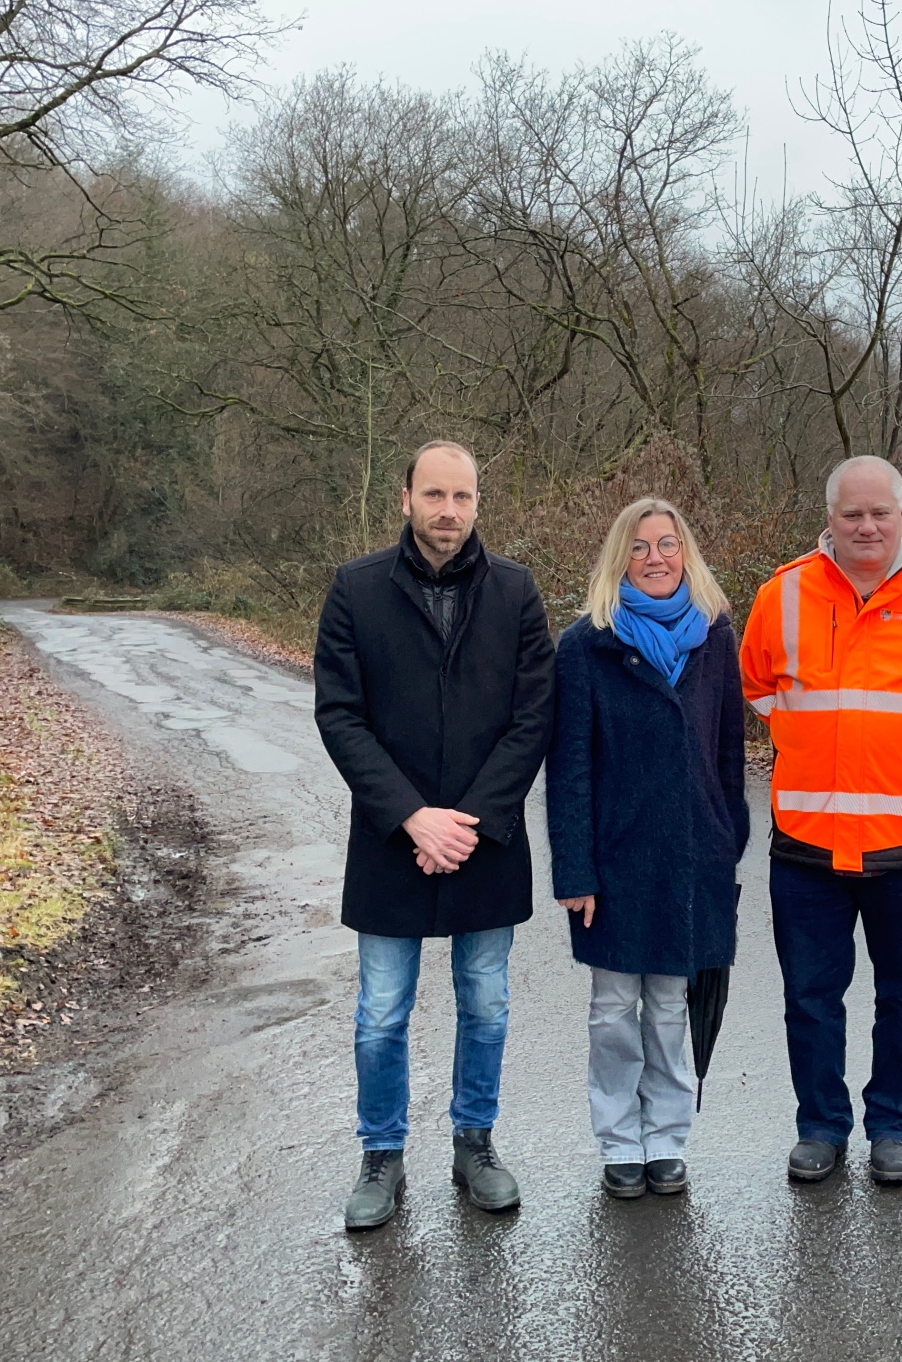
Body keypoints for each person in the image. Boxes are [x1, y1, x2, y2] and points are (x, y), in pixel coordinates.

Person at [739, 455, 902, 1186]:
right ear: (829, 517)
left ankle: (892, 1124)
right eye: (852, 513)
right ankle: (820, 1126)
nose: (866, 526)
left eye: (879, 513)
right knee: (811, 996)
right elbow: (757, 687)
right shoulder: (780, 595)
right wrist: (810, 742)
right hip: (807, 838)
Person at [314, 440, 556, 1231]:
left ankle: (474, 1143)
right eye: (434, 495)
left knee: (484, 1003)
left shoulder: (517, 592)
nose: (448, 511)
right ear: (406, 498)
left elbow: (532, 718)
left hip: (486, 840)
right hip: (393, 840)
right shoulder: (354, 590)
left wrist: (471, 822)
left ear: (479, 503)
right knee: (382, 1010)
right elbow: (339, 716)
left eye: (463, 497)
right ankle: (381, 1155)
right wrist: (412, 815)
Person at [546, 499, 750, 1199]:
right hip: (613, 860)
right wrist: (574, 868)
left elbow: (730, 753)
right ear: (618, 560)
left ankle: (666, 1139)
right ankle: (618, 1142)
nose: (656, 558)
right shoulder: (585, 646)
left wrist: (729, 842)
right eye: (640, 548)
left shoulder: (715, 639)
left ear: (685, 553)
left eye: (668, 544)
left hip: (694, 857)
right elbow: (568, 769)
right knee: (611, 1010)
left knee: (668, 1007)